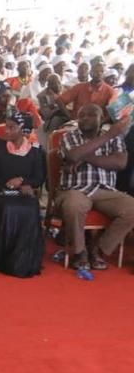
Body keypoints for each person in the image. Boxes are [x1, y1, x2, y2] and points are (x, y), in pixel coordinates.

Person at [57, 106, 133, 271]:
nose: (85, 118)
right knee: (74, 205)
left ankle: (98, 249)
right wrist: (108, 135)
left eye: (91, 114)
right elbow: (72, 155)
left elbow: (120, 163)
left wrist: (84, 157)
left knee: (132, 209)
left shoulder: (115, 138)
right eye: (81, 115)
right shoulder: (68, 136)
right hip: (75, 189)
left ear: (102, 118)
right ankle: (80, 252)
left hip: (106, 191)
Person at [0, 110, 45, 278]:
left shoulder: (35, 151)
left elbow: (39, 177)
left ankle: (26, 261)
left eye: (12, 127)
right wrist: (8, 184)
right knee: (8, 208)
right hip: (1, 193)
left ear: (23, 129)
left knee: (31, 207)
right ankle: (3, 260)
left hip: (24, 193)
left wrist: (24, 181)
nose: (6, 131)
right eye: (6, 126)